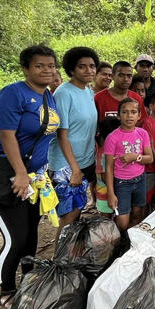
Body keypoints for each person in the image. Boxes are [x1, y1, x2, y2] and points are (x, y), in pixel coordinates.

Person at [0, 45, 60, 309]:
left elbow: (44, 138)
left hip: (34, 178)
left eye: (50, 65)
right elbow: (6, 136)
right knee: (15, 237)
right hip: (7, 177)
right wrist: (21, 174)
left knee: (31, 234)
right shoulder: (12, 94)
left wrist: (40, 173)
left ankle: (29, 280)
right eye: (40, 66)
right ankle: (6, 290)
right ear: (26, 68)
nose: (46, 70)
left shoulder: (49, 96)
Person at [48, 47, 99, 239]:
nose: (89, 71)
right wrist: (75, 169)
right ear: (72, 69)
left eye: (92, 66)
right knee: (70, 215)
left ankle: (70, 256)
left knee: (77, 209)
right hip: (66, 165)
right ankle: (58, 260)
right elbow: (62, 134)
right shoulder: (63, 93)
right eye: (82, 67)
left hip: (84, 160)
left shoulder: (87, 91)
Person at [93, 61, 145, 212]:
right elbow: (95, 127)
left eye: (129, 76)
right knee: (108, 200)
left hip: (130, 159)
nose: (126, 79)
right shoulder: (99, 98)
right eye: (121, 75)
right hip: (106, 156)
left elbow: (140, 126)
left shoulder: (136, 98)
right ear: (113, 76)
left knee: (129, 200)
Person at [104, 97, 153, 230]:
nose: (129, 115)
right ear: (119, 115)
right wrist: (111, 193)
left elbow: (150, 158)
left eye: (133, 112)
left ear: (139, 115)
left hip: (140, 179)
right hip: (122, 183)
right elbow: (108, 167)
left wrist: (135, 157)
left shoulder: (143, 134)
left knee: (137, 213)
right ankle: (120, 243)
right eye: (125, 112)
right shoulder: (112, 137)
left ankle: (131, 242)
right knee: (122, 221)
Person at [94, 116, 121, 215]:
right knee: (106, 222)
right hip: (106, 196)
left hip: (102, 192)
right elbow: (104, 176)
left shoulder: (101, 146)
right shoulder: (105, 154)